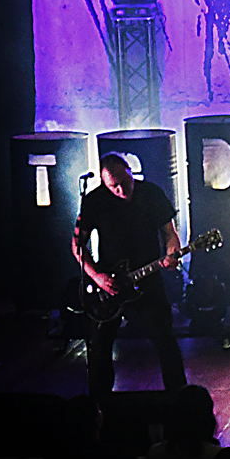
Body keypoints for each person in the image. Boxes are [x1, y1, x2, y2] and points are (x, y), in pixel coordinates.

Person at [72, 153, 186, 398]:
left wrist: (172, 253)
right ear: (104, 183)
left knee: (165, 340)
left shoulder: (151, 194)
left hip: (148, 279)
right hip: (109, 285)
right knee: (99, 346)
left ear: (131, 173)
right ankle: (99, 404)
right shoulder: (94, 201)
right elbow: (77, 246)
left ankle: (180, 399)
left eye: (125, 182)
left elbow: (169, 233)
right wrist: (97, 276)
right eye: (114, 186)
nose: (122, 190)